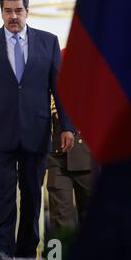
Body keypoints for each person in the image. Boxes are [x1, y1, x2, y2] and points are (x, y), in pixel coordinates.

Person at [0, 0, 75, 259]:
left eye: (18, 10)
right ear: (1, 11)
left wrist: (67, 126)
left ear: (27, 11)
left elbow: (60, 89)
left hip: (36, 130)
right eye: (8, 10)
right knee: (2, 190)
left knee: (32, 193)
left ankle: (26, 250)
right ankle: (1, 248)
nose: (13, 16)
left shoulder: (48, 42)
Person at [47, 94, 92, 233]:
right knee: (59, 222)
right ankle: (58, 255)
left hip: (88, 154)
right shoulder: (50, 73)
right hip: (57, 155)